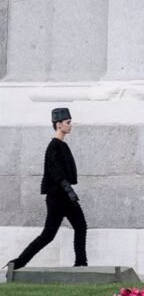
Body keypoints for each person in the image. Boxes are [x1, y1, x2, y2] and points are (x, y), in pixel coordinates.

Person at [6, 108, 88, 271]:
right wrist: (68, 189)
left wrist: (68, 190)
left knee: (77, 227)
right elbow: (55, 170)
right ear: (59, 125)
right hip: (58, 197)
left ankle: (81, 263)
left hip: (63, 195)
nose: (70, 125)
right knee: (49, 235)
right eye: (68, 122)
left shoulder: (61, 145)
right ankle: (17, 263)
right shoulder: (54, 146)